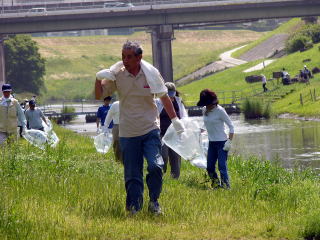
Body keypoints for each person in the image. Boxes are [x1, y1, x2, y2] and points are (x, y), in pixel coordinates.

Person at [95, 41, 184, 215]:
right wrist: (97, 78)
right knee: (132, 173)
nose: (125, 60)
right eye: (123, 56)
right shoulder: (117, 75)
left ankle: (154, 202)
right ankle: (134, 207)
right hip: (128, 132)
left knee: (156, 166)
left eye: (129, 57)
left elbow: (164, 97)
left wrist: (175, 120)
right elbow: (100, 95)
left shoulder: (151, 74)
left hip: (150, 128)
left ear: (139, 57)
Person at [197, 89, 234, 189]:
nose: (206, 106)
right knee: (209, 167)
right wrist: (199, 131)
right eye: (205, 104)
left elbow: (231, 126)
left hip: (222, 143)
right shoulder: (204, 110)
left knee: (222, 166)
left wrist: (229, 141)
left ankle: (226, 187)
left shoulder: (220, 111)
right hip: (212, 143)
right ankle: (216, 185)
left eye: (208, 104)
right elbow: (205, 123)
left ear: (213, 102)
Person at [155, 82, 188, 179]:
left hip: (176, 135)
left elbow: (184, 117)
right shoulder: (157, 102)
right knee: (163, 156)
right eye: (168, 96)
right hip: (162, 135)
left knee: (175, 158)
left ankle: (175, 178)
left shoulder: (178, 102)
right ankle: (161, 175)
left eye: (172, 96)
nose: (171, 98)